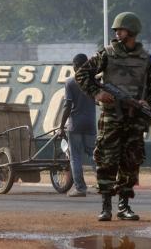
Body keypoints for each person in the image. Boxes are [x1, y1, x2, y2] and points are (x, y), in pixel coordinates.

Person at [75, 12, 151, 221]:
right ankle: (106, 205)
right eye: (116, 30)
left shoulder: (146, 59)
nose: (117, 33)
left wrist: (147, 103)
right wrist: (97, 93)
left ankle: (124, 204)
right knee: (107, 159)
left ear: (131, 31)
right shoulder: (107, 54)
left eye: (120, 30)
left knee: (131, 161)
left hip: (135, 119)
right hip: (112, 117)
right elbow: (82, 74)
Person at [59, 53, 97, 197]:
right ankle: (104, 184)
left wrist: (62, 125)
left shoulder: (70, 82)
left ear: (75, 66)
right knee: (94, 154)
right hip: (90, 124)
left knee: (75, 157)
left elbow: (67, 105)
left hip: (75, 124)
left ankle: (80, 188)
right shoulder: (93, 81)